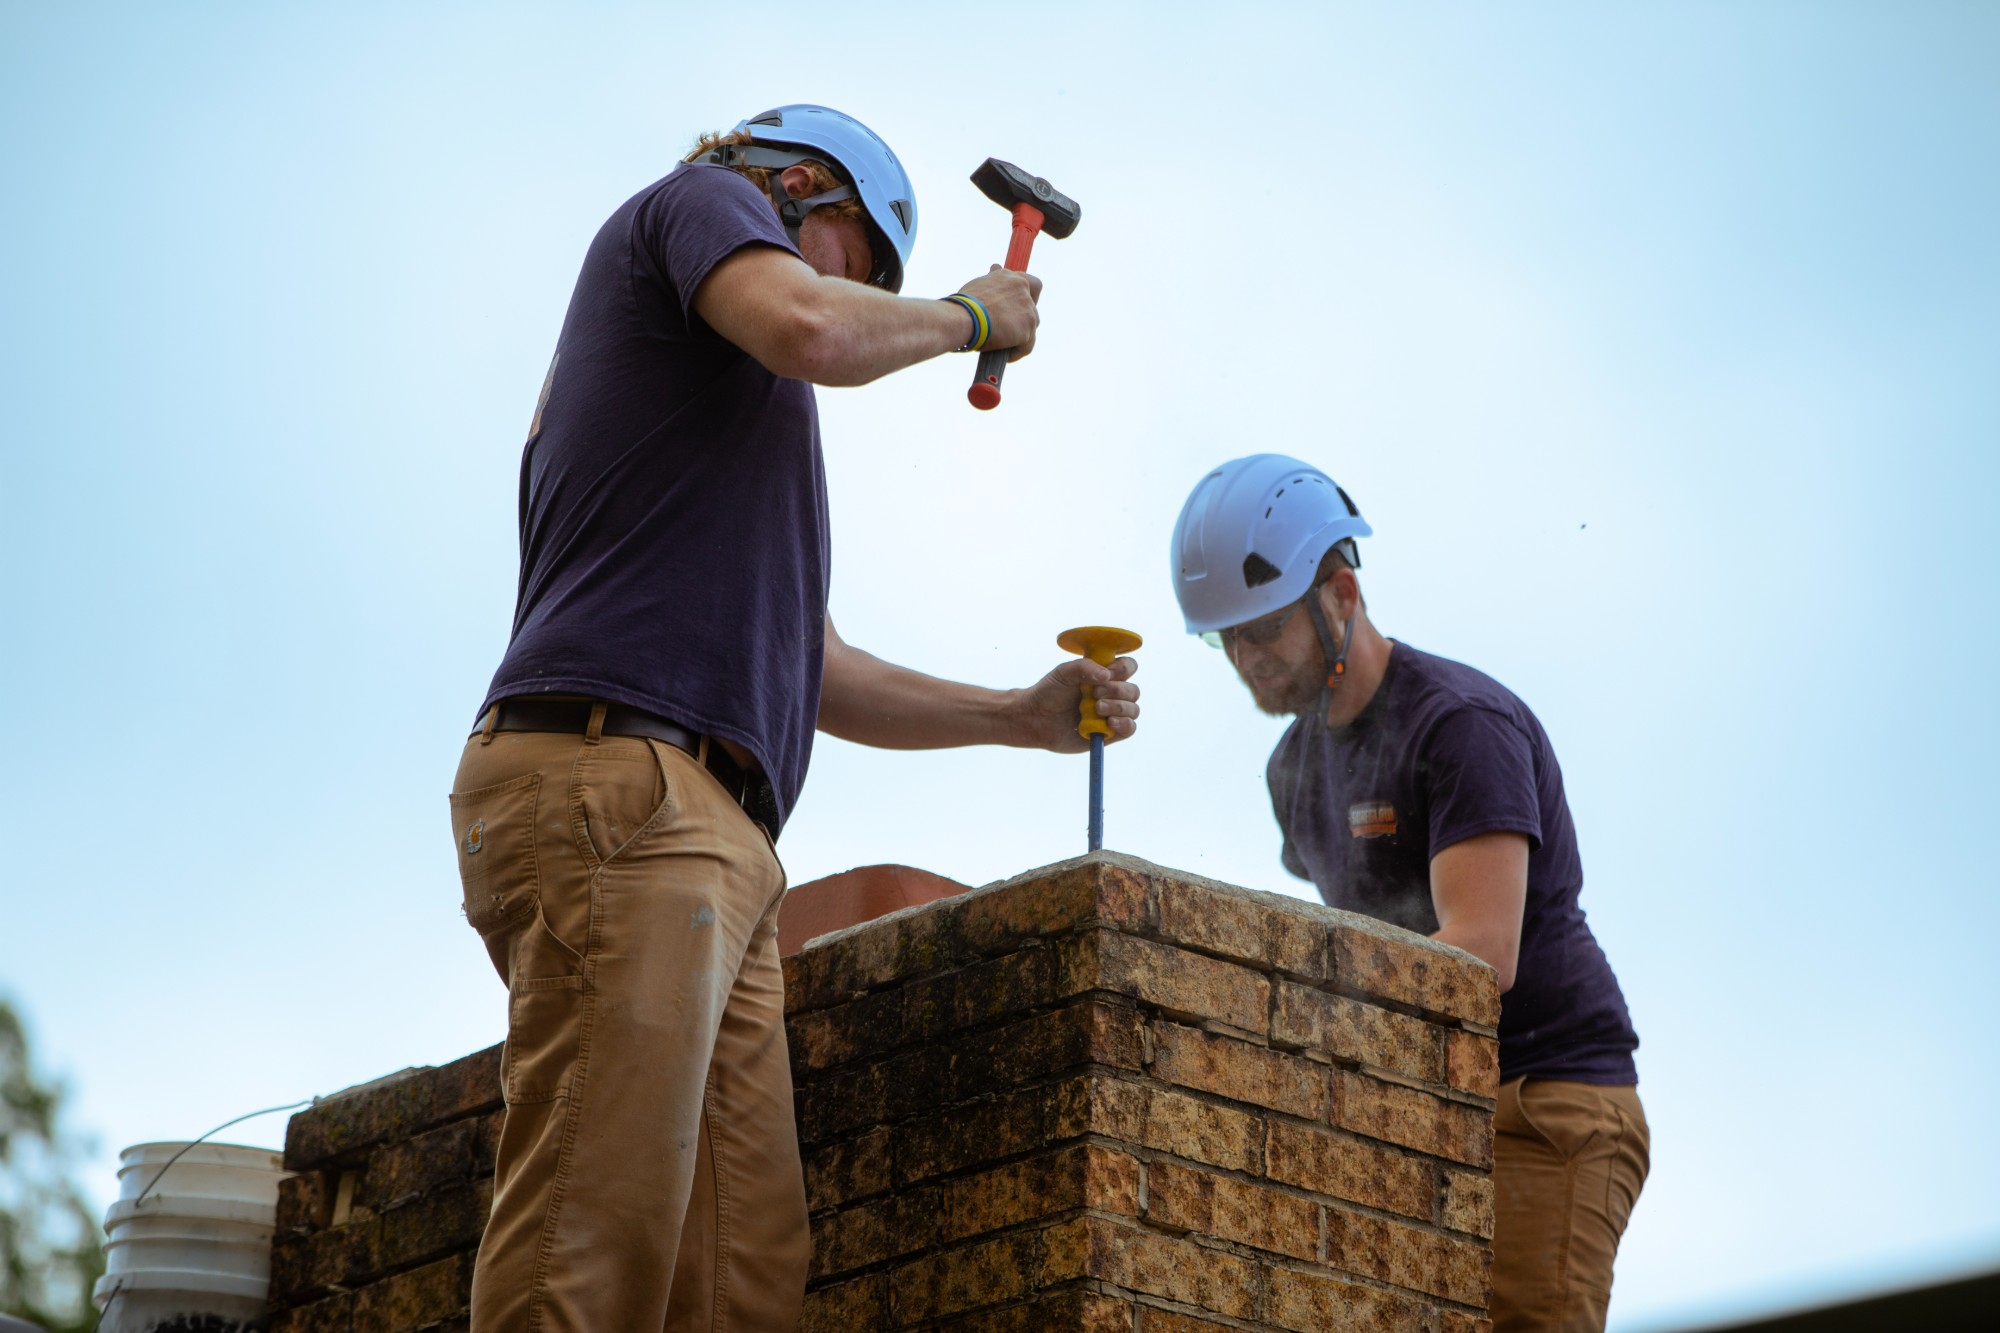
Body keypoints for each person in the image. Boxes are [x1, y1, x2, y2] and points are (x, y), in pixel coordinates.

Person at [447, 104, 1139, 1332]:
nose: (859, 299)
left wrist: (1017, 717)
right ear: (800, 185)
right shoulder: (704, 205)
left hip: (704, 826)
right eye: (861, 263)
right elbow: (810, 321)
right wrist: (967, 317)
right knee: (586, 1254)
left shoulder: (723, 408)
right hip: (629, 784)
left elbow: (807, 671)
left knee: (740, 1278)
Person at [1169, 453, 1645, 1333]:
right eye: (1225, 638)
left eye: (1265, 628)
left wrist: (1299, 1012)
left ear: (1341, 596)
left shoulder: (1458, 727)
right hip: (1422, 1114)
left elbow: (1479, 958)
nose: (1247, 658)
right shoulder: (1293, 770)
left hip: (1542, 1100)